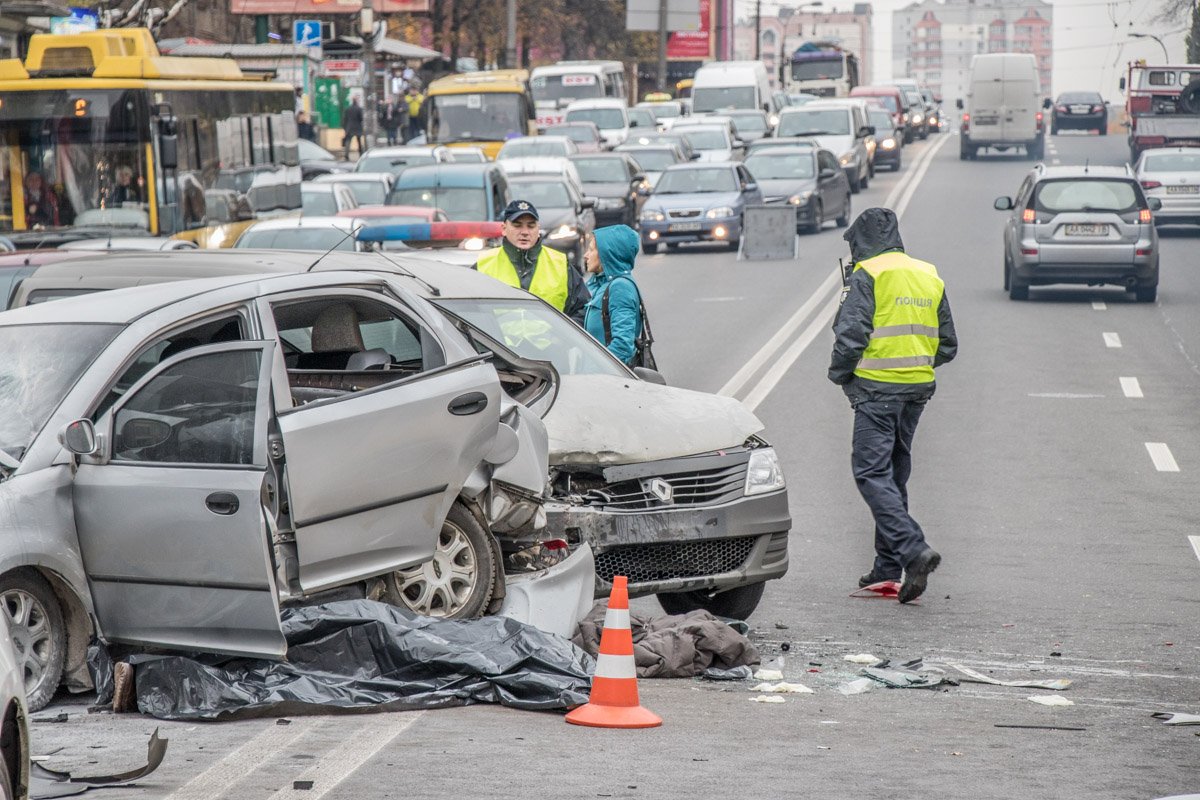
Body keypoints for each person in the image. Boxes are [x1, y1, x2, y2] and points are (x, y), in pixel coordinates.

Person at [827, 207, 957, 605]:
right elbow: (948, 345)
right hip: (917, 390)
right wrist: (914, 363)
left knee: (870, 473)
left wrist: (840, 373)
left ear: (861, 241)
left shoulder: (869, 274)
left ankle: (913, 550)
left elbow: (851, 336)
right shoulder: (927, 273)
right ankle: (887, 568)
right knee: (893, 474)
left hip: (877, 391)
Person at [475, 200, 589, 324]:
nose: (525, 232)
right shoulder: (484, 264)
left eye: (531, 226)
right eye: (517, 225)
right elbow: (467, 311)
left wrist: (563, 337)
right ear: (504, 228)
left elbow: (583, 310)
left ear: (538, 229)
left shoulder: (560, 264)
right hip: (494, 343)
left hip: (552, 343)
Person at [582, 225, 643, 365]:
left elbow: (623, 346)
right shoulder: (603, 285)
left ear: (606, 254)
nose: (586, 255)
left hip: (606, 380)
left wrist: (598, 372)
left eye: (591, 250)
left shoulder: (620, 287)